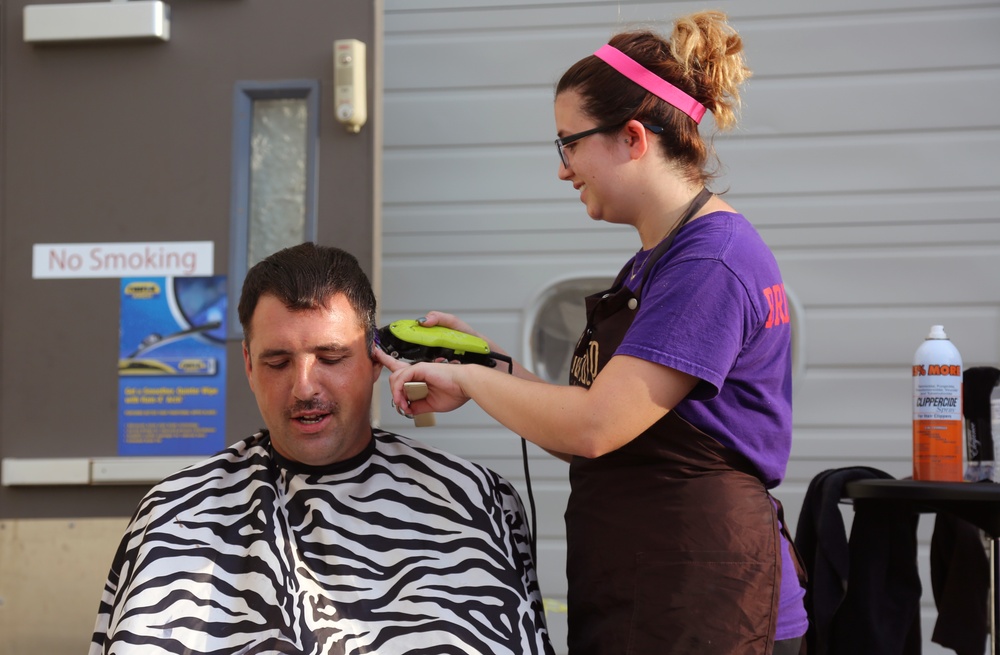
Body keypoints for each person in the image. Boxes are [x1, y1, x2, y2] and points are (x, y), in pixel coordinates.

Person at [378, 11, 807, 655]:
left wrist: (466, 376)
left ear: (633, 137)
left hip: (706, 604)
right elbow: (609, 433)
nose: (562, 168)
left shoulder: (709, 262)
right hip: (655, 589)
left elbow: (595, 428)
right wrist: (487, 366)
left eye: (568, 143)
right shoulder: (661, 258)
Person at [90, 243, 555, 655]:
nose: (304, 387)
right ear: (249, 366)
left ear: (376, 359)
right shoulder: (175, 512)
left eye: (331, 358)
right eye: (278, 362)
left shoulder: (472, 499)